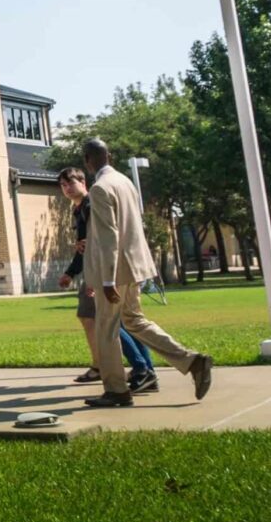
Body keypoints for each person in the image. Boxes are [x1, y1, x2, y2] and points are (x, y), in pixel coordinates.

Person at [81, 139, 214, 407]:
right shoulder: (125, 182)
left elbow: (109, 237)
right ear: (110, 155)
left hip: (115, 272)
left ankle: (116, 390)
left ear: (87, 160)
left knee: (107, 329)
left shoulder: (99, 188)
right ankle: (192, 361)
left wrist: (107, 280)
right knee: (134, 320)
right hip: (135, 266)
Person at [54, 167, 156, 392]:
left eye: (70, 183)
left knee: (110, 322)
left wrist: (97, 279)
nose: (67, 188)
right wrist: (72, 272)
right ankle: (147, 371)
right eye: (63, 185)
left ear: (83, 182)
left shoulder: (93, 202)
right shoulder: (79, 209)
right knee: (125, 322)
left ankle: (141, 368)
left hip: (107, 271)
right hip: (106, 270)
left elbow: (104, 239)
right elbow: (86, 246)